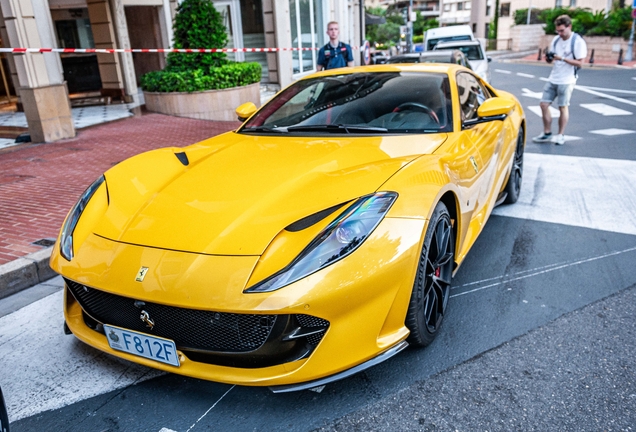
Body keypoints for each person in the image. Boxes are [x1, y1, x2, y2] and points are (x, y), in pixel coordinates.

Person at [533, 15, 587, 146]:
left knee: (563, 107)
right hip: (554, 77)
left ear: (569, 27)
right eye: (558, 31)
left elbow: (580, 63)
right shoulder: (556, 40)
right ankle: (547, 133)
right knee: (543, 104)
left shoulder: (577, 41)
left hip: (567, 80)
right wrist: (549, 58)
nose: (560, 33)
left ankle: (560, 135)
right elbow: (552, 58)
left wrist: (562, 58)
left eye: (562, 30)